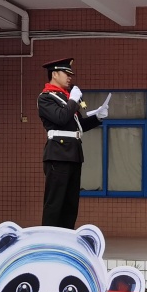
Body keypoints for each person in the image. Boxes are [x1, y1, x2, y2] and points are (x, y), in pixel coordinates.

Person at [38, 58, 107, 229]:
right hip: (58, 154)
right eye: (66, 73)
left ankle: (67, 236)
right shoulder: (46, 98)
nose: (70, 77)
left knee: (71, 203)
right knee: (55, 202)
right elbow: (61, 118)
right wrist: (73, 101)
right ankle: (49, 238)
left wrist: (97, 117)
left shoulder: (67, 99)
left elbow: (78, 126)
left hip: (74, 154)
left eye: (71, 74)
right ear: (54, 74)